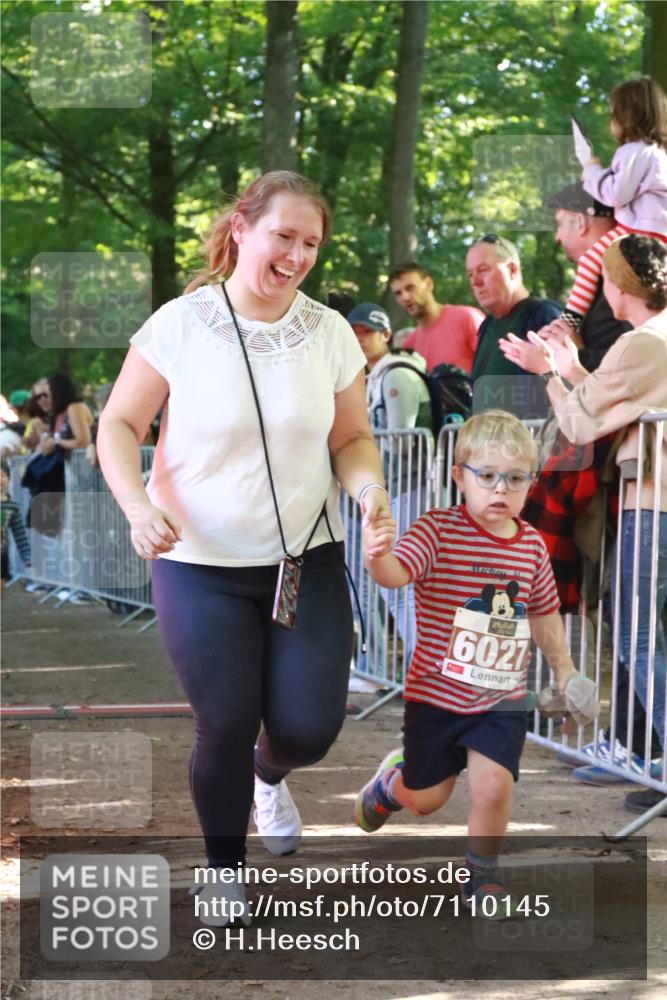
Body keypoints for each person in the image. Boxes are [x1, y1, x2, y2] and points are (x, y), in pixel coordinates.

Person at [97, 171, 390, 925]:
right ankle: (224, 870)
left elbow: (351, 438)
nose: (296, 255)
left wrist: (368, 491)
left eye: (310, 243)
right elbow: (119, 424)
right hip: (198, 564)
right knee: (224, 719)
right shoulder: (180, 324)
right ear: (241, 228)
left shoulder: (328, 332)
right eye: (283, 236)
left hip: (304, 559)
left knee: (307, 730)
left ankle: (270, 775)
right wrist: (137, 506)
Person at [355, 411, 598, 911]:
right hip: (436, 696)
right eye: (486, 475)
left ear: (531, 482)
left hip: (501, 699)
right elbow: (395, 575)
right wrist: (375, 554)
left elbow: (543, 614)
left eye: (515, 478)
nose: (500, 489)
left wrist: (566, 671)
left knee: (493, 787)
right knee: (427, 800)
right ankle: (391, 785)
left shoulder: (531, 547)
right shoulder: (436, 530)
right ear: (458, 476)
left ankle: (481, 878)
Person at [500, 234, 667, 815]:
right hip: (649, 500)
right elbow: (602, 395)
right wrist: (568, 367)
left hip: (653, 501)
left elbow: (578, 419)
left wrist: (549, 371)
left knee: (636, 633)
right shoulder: (651, 340)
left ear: (618, 286)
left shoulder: (643, 343)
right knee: (643, 631)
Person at [347, 301, 431, 666]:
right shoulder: (371, 376)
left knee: (402, 588)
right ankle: (378, 666)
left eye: (367, 332)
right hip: (389, 490)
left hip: (408, 490)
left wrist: (363, 440)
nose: (360, 339)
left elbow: (403, 441)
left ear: (386, 334)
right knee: (381, 588)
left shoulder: (396, 374)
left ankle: (425, 669)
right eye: (354, 333)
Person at [559, 78, 667, 334]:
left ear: (626, 116)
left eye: (612, 114)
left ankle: (569, 320)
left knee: (590, 261)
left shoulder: (634, 151)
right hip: (657, 230)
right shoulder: (656, 153)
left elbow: (615, 194)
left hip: (640, 229)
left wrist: (591, 169)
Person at [466, 235, 561, 419]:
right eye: (470, 274)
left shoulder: (543, 315)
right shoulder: (487, 326)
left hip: (529, 434)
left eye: (483, 270)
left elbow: (566, 387)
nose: (475, 282)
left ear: (512, 270)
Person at [389, 262, 484, 373]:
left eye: (410, 288)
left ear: (429, 284)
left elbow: (496, 365)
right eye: (398, 293)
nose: (405, 297)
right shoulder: (410, 347)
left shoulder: (466, 318)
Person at [1, 461, 31, 587]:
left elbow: (20, 535)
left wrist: (27, 557)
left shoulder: (13, 507)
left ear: (8, 478)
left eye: (2, 475)